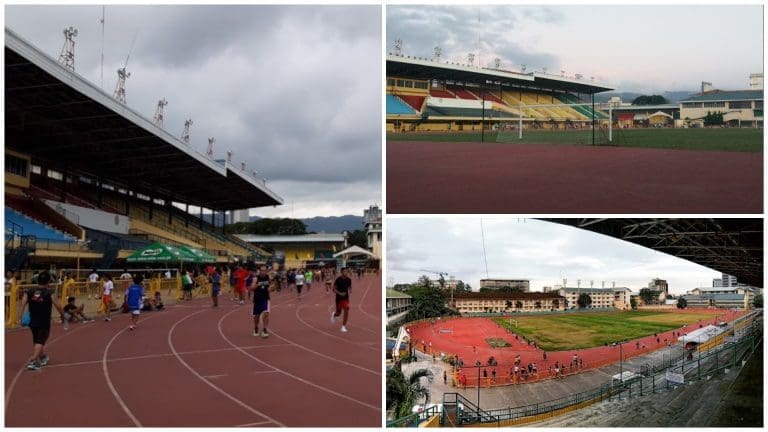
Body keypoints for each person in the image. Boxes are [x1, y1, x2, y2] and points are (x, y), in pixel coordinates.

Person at [19, 271, 64, 370]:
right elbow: (58, 306)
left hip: (32, 321)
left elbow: (22, 304)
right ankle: (33, 360)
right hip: (43, 321)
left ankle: (42, 356)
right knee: (40, 340)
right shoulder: (49, 293)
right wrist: (63, 316)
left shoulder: (29, 291)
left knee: (37, 339)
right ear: (48, 281)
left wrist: (20, 317)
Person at [250, 265, 274, 338]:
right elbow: (252, 288)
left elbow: (272, 285)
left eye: (264, 270)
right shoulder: (256, 278)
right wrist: (257, 285)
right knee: (256, 316)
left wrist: (271, 288)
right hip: (257, 299)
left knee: (266, 313)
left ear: (266, 271)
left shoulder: (268, 277)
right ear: (259, 271)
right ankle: (256, 328)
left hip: (265, 298)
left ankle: (264, 329)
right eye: (262, 270)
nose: (263, 272)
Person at [330, 267, 352, 332]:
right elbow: (333, 289)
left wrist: (350, 290)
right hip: (339, 299)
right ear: (341, 272)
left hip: (346, 298)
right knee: (338, 313)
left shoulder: (349, 280)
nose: (346, 273)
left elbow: (349, 286)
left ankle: (343, 326)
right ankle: (334, 315)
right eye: (345, 271)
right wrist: (340, 293)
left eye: (347, 271)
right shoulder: (338, 280)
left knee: (347, 309)